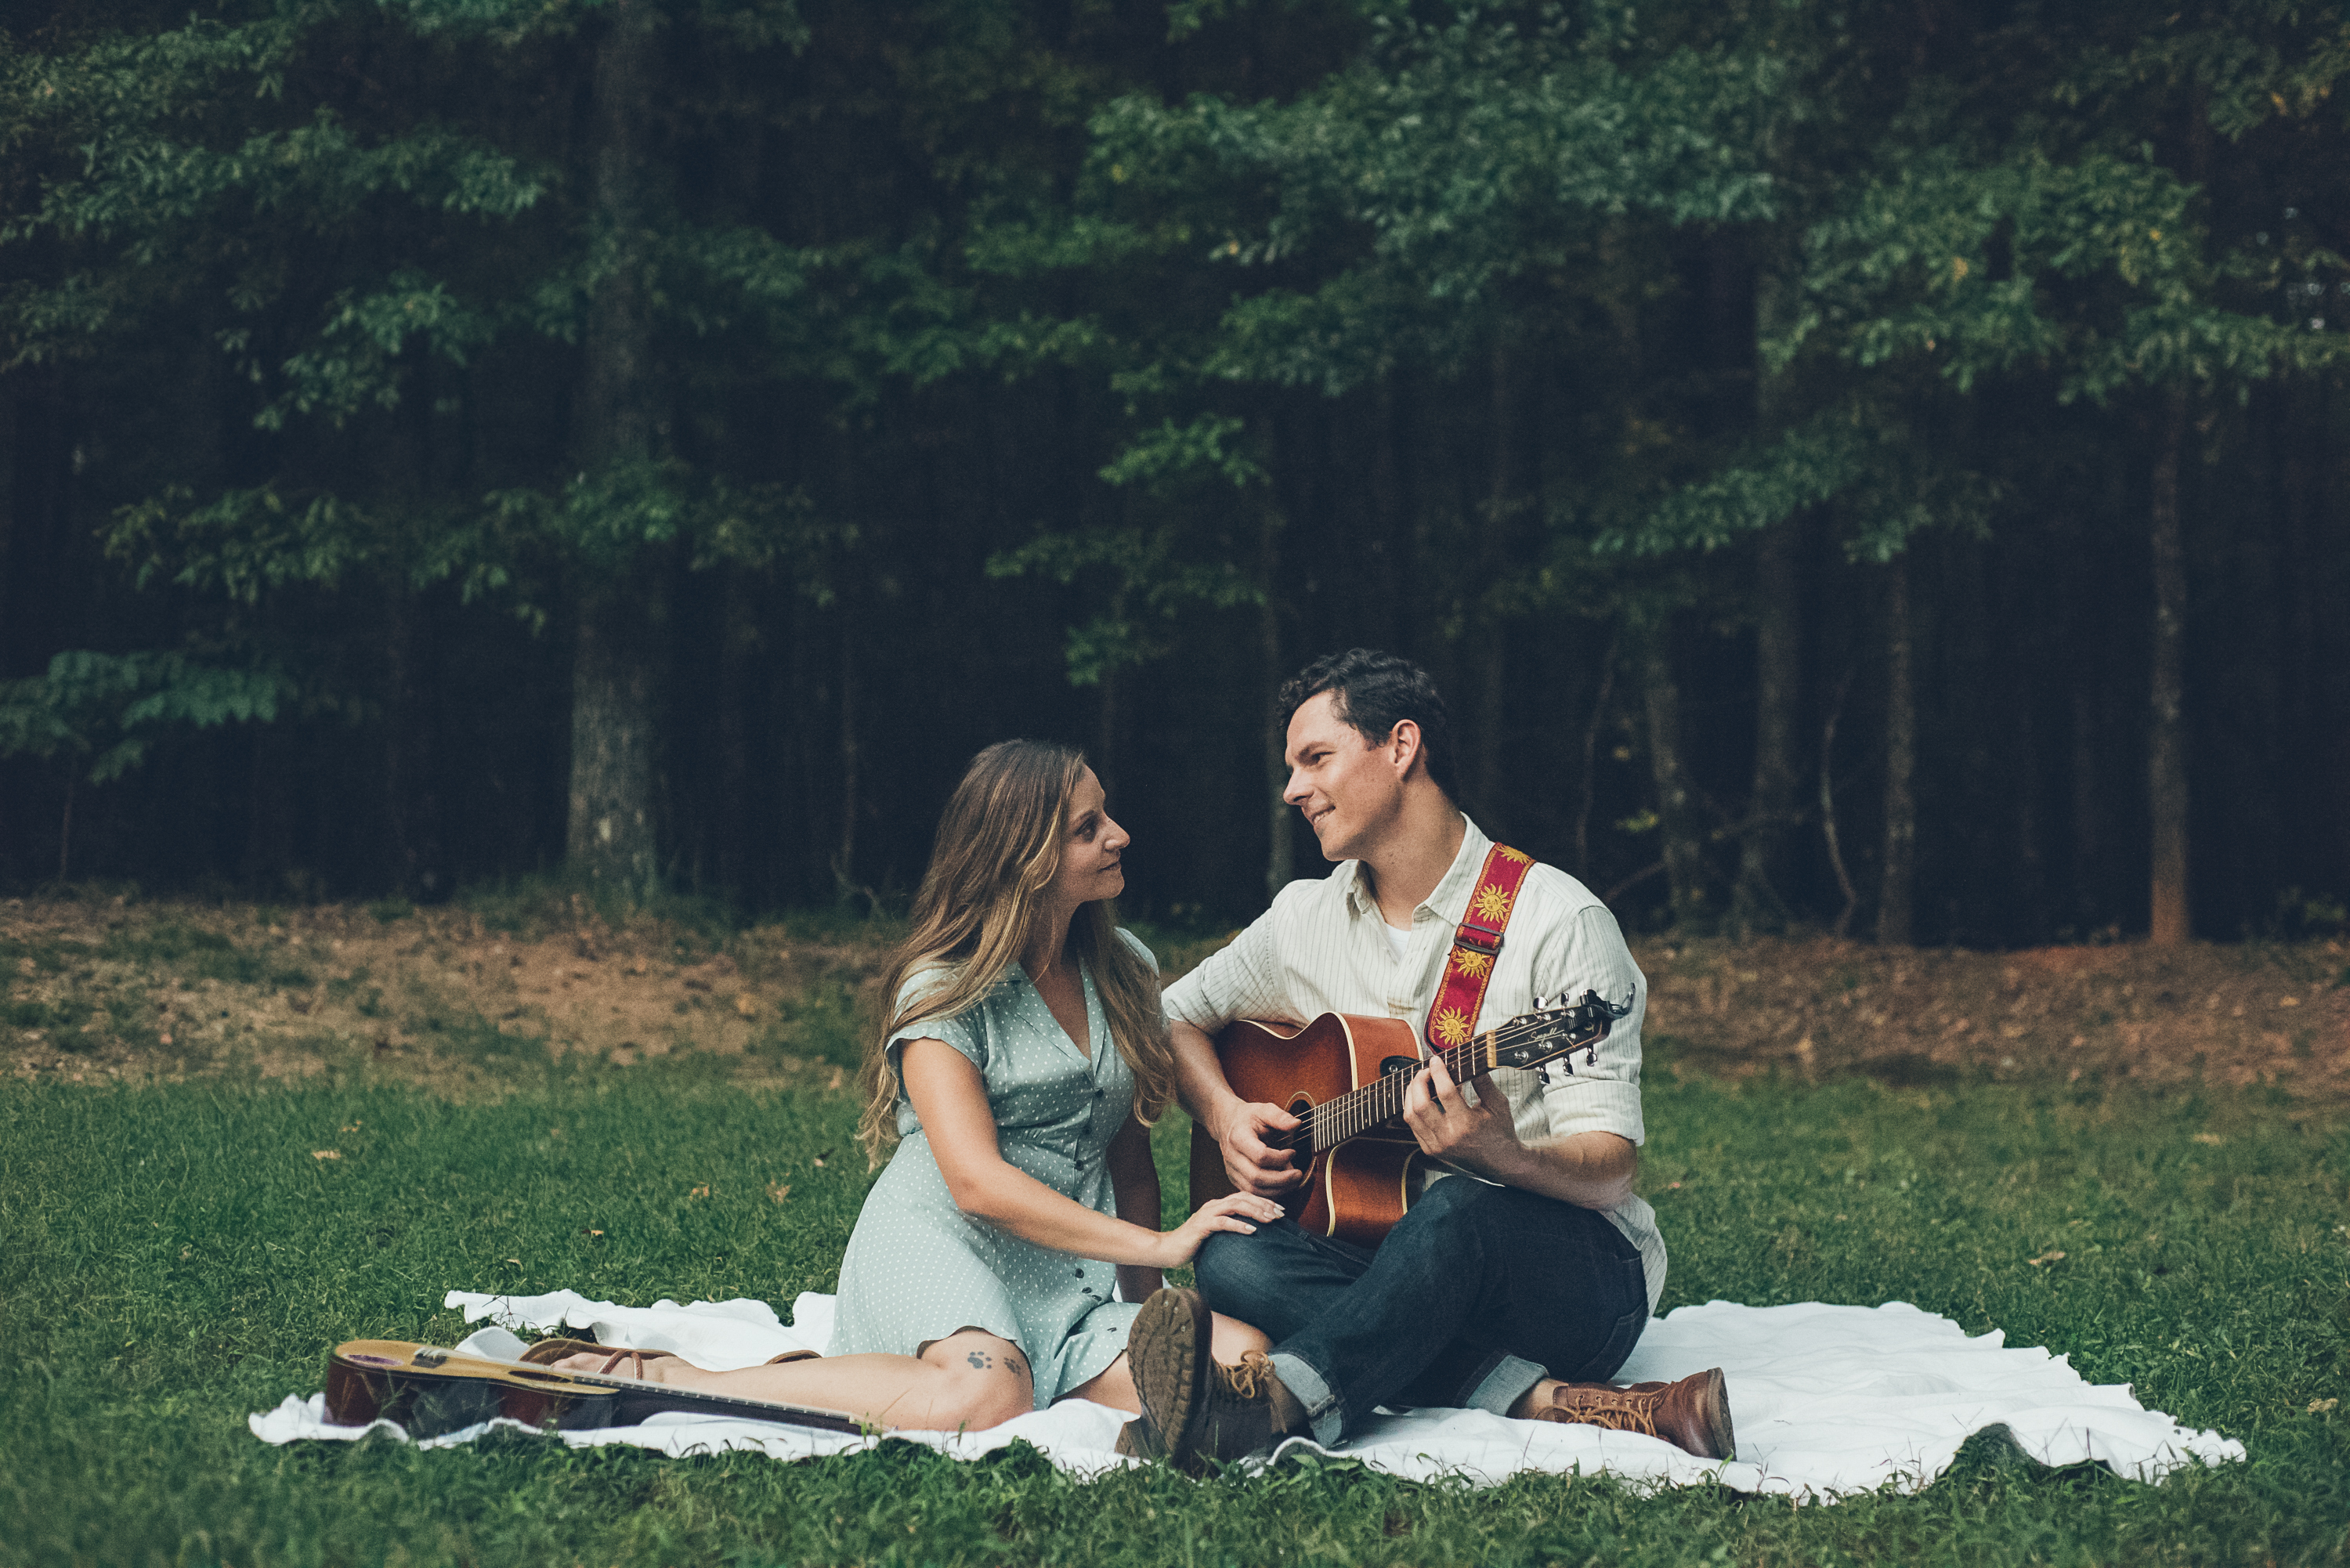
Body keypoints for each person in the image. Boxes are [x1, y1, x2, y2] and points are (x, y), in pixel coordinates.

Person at [1118, 649, 1732, 1472]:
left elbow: (1611, 1173)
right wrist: (1227, 1115)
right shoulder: (1303, 917)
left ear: (1401, 747)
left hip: (1572, 1276)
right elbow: (1173, 1019)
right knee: (1232, 1248)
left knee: (1458, 1211)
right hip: (1388, 1258)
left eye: (1316, 758)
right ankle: (1546, 1400)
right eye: (1292, 767)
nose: (1292, 788)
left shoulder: (1558, 923)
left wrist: (1500, 1154)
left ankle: (1271, 1408)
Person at [554, 739, 1281, 1432]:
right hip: (943, 1241)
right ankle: (679, 1381)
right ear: (1021, 859)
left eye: (1107, 816)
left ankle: (1041, 1365)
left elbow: (1128, 1157)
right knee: (987, 1395)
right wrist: (1160, 1246)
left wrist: (1149, 1313)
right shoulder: (940, 990)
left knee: (1241, 1359)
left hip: (1069, 1277)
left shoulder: (1124, 966)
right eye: (1087, 829)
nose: (1119, 835)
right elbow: (975, 1182)